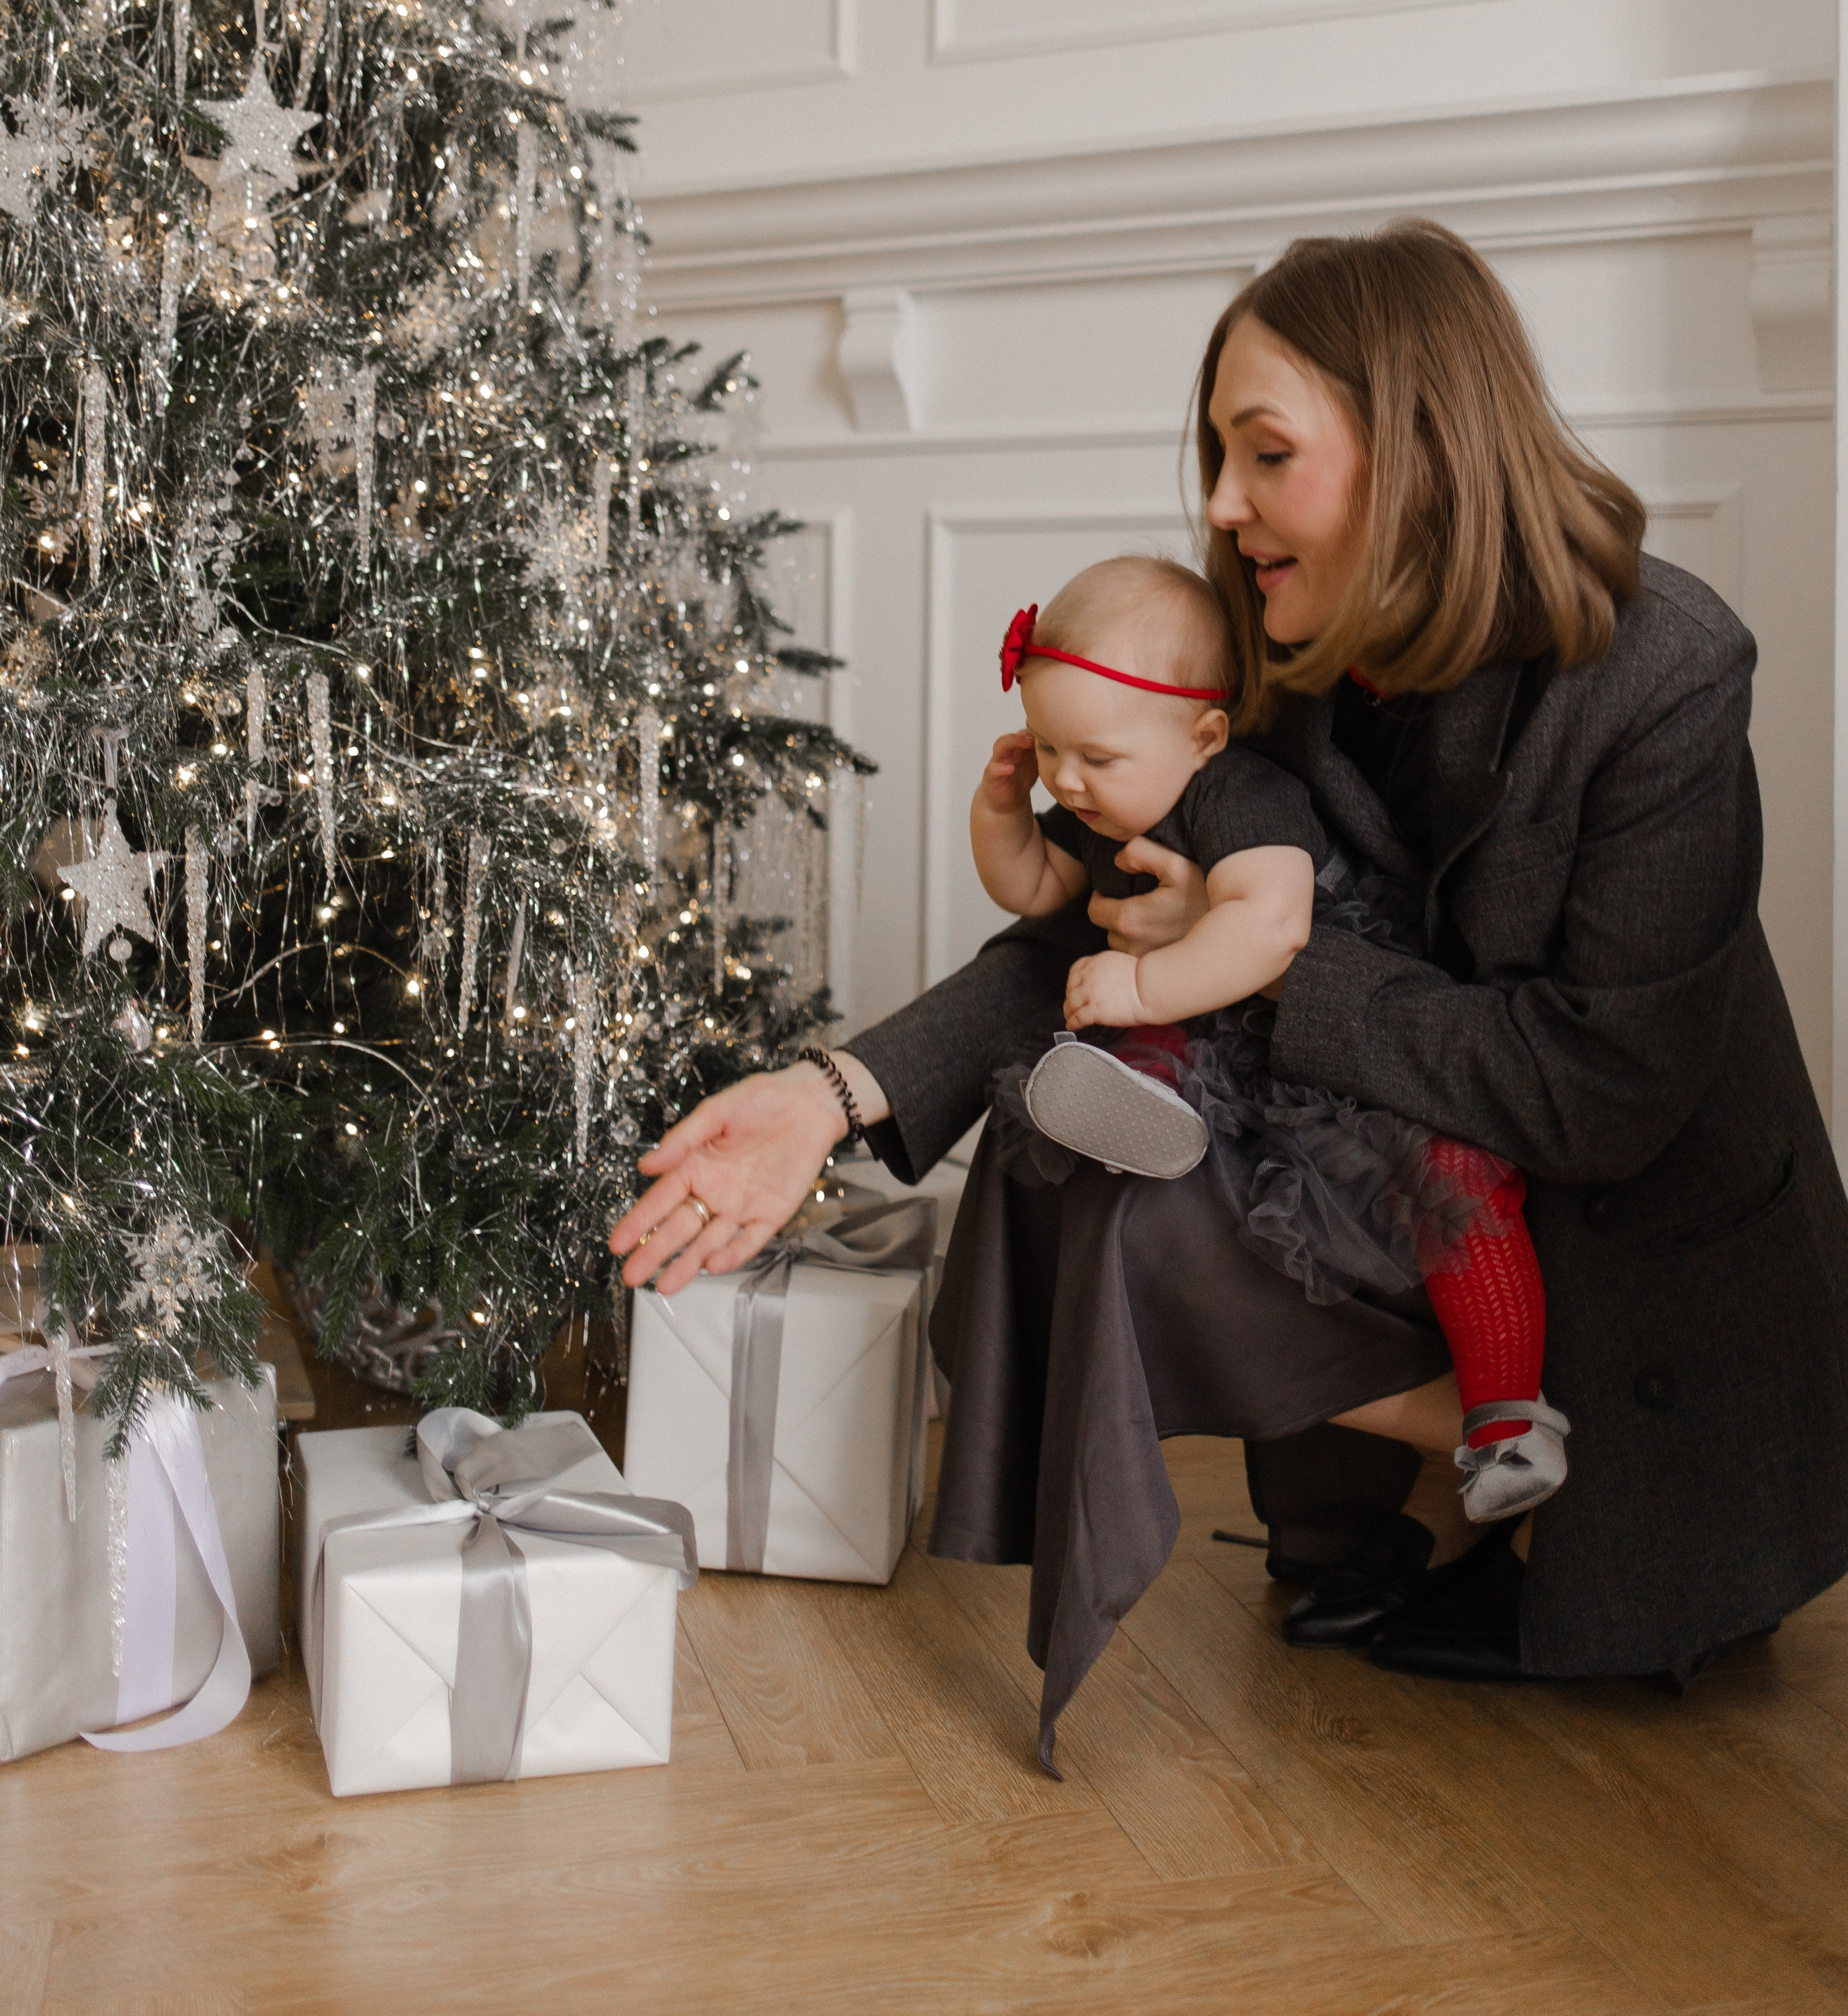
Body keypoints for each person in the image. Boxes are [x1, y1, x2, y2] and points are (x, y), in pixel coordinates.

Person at [612, 220, 1848, 1769]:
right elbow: (1087, 955)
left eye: (1263, 454)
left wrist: (1255, 950)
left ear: (1417, 453)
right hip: (1395, 1176)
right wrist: (829, 1097)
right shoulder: (1267, 658)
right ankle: (1445, 1463)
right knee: (1064, 1148)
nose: (1216, 503)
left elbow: (1596, 1091)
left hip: (1630, 1266)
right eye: (1214, 453)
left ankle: (1564, 1475)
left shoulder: (1659, 674)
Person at [977, 552, 1566, 1528]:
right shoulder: (1102, 797)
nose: (1065, 782)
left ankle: (1508, 1415)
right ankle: (1149, 1100)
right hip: (1223, 1052)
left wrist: (1139, 979)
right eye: (1045, 751)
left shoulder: (1238, 791)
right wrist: (1002, 813)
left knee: (1451, 1181)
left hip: (1343, 1044)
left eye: (1092, 758)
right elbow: (1038, 889)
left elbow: (1271, 925)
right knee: (1131, 1050)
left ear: (1204, 734)